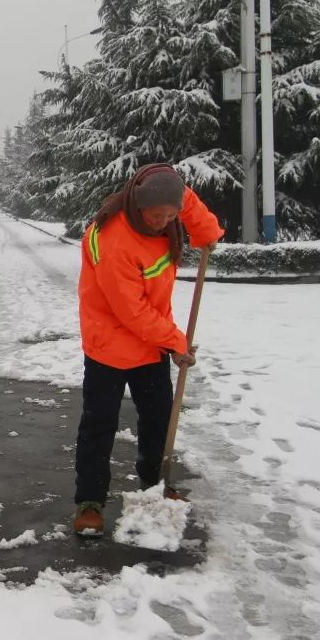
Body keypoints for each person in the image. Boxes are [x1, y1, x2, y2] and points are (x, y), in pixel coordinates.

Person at [72, 163, 223, 537]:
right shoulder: (115, 240)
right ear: (139, 207)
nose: (165, 221)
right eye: (158, 216)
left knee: (159, 416)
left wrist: (205, 232)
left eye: (171, 215)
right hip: (109, 341)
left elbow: (187, 203)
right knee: (99, 424)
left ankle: (155, 480)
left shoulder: (165, 194)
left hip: (149, 342)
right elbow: (131, 311)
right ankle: (90, 501)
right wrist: (175, 341)